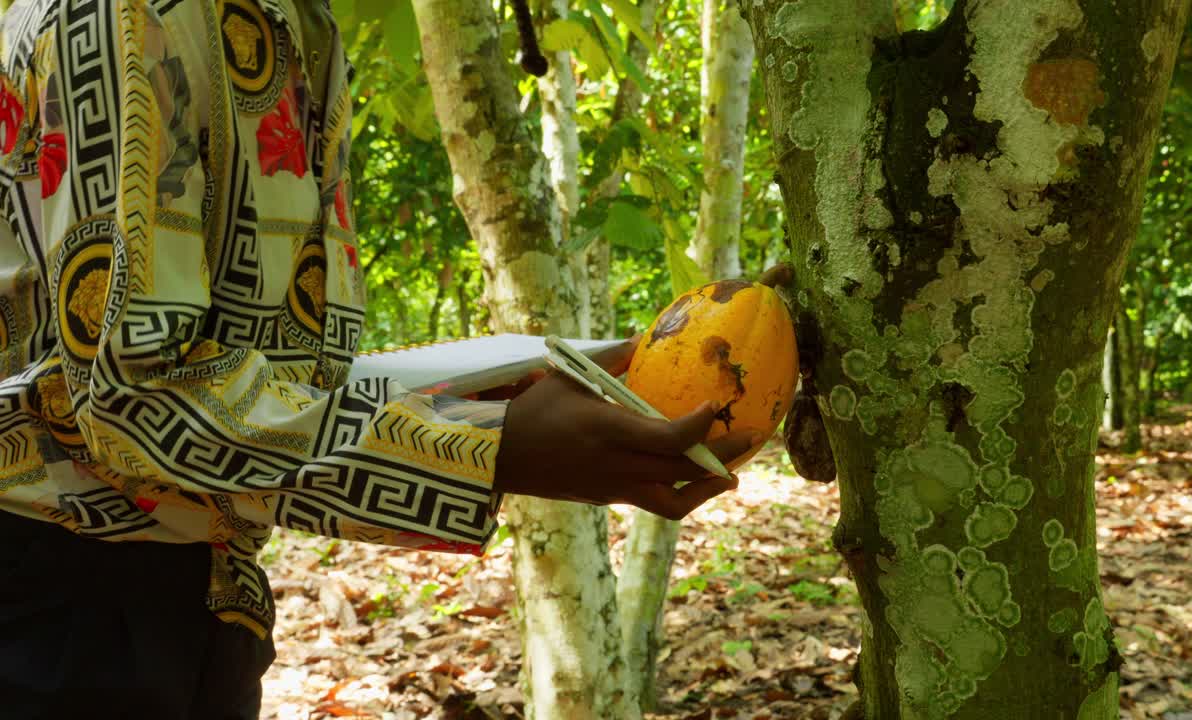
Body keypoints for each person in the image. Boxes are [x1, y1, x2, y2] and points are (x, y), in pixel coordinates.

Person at [0, 1, 749, 717]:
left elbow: (257, 377)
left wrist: (484, 407)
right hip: (60, 602)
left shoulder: (297, 21)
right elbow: (133, 403)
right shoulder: (130, 14)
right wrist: (477, 450)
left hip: (203, 590)